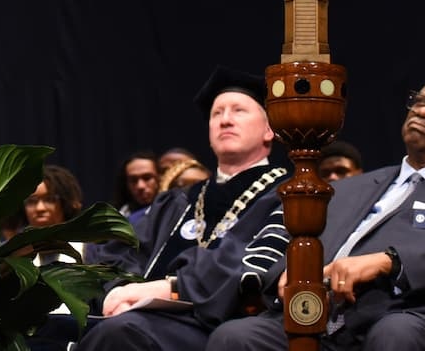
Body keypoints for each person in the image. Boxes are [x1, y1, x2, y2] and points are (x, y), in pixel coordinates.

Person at [207, 73, 425, 351]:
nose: (423, 111)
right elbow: (301, 241)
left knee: (395, 334)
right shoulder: (350, 188)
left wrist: (390, 261)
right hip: (318, 314)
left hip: (406, 311)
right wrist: (295, 269)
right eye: (420, 101)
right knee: (235, 336)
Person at [79, 65, 291, 351]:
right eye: (217, 113)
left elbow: (251, 265)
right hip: (145, 318)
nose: (225, 120)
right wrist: (118, 290)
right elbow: (125, 251)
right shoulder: (179, 200)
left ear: (269, 130)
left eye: (238, 111)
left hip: (224, 325)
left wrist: (167, 287)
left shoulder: (287, 196)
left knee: (119, 334)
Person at [23, 164, 87, 351]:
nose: (40, 208)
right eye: (32, 201)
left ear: (66, 202)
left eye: (49, 199)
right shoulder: (11, 256)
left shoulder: (91, 252)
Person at [112, 150, 159, 231]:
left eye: (147, 178)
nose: (140, 186)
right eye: (133, 180)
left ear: (160, 178)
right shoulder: (115, 217)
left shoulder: (171, 211)